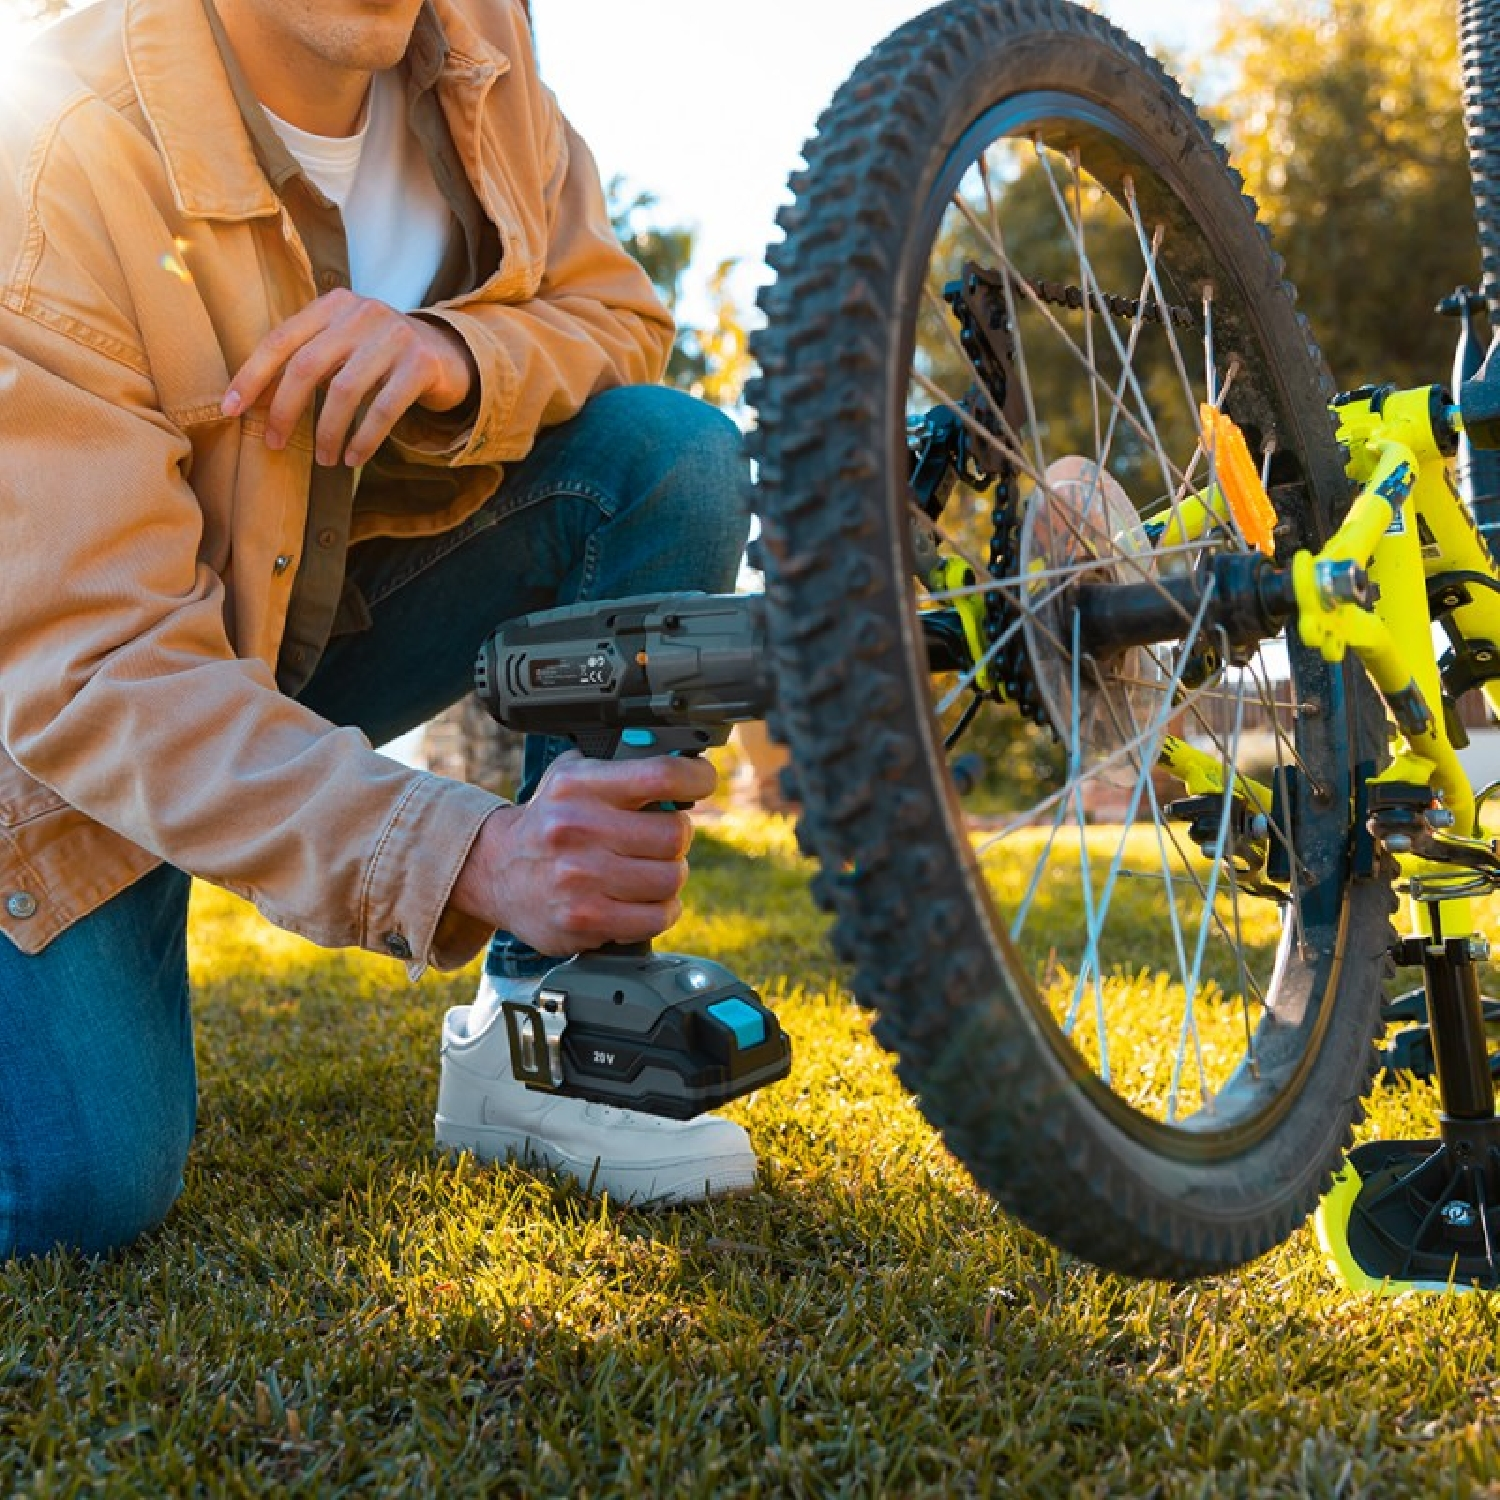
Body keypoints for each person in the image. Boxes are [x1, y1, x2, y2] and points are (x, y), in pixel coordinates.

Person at [0, 0, 757, 1260]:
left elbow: (616, 318)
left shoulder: (480, 44)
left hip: (294, 621)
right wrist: (471, 852)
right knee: (85, 1185)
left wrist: (457, 351)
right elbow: (96, 662)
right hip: (53, 708)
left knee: (669, 459)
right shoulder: (49, 150)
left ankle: (552, 1027)